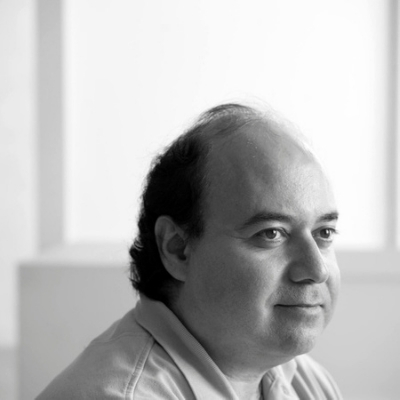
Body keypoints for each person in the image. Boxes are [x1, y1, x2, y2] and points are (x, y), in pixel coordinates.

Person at [37, 103, 342, 399]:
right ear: (177, 249)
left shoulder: (303, 379)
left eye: (324, 233)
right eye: (271, 233)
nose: (316, 270)